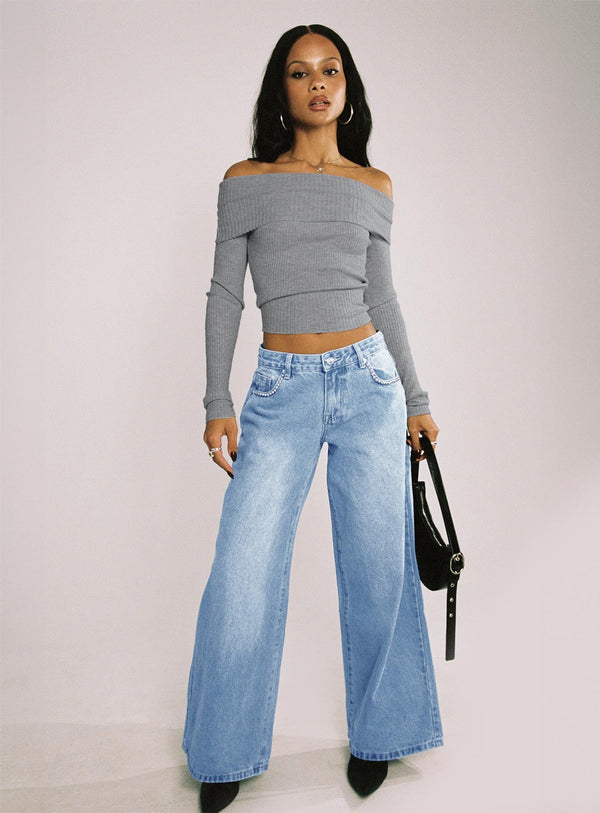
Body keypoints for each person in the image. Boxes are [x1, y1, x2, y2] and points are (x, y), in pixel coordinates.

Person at [182, 24, 443, 813]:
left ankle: (382, 735)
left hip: (369, 383)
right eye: (300, 73)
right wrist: (218, 399)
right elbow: (224, 294)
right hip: (279, 388)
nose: (317, 83)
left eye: (330, 70)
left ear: (347, 88)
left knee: (379, 565)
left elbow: (383, 297)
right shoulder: (246, 180)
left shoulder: (374, 185)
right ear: (282, 91)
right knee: (242, 569)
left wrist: (417, 399)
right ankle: (224, 747)